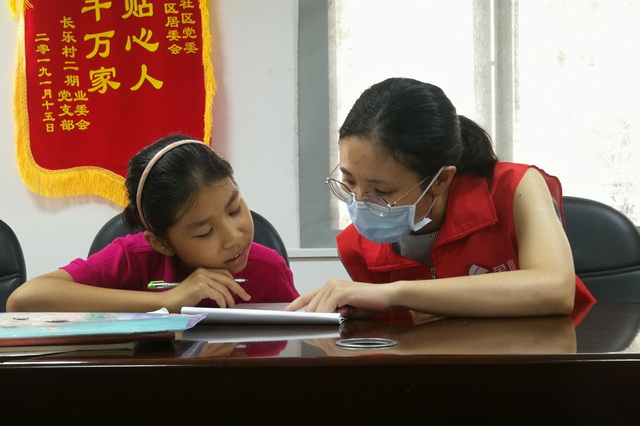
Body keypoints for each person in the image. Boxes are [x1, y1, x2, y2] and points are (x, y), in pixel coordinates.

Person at [287, 77, 595, 321]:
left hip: (554, 364)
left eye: (381, 192)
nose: (360, 202)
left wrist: (394, 294)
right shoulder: (356, 247)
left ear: (441, 180)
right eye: (349, 181)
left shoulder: (515, 188)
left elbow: (556, 290)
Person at [8, 134, 298, 313]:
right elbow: (23, 299)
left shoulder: (267, 269)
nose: (234, 237)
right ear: (161, 243)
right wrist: (169, 301)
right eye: (205, 232)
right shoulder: (132, 258)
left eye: (234, 210)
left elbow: (300, 342)